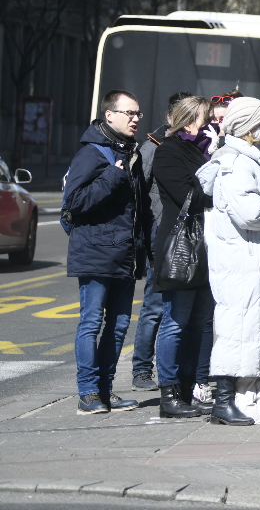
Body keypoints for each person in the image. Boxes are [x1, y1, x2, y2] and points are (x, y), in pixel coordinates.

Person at [197, 97, 260, 426]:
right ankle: (223, 403)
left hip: (251, 259)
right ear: (248, 129)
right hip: (242, 263)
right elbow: (251, 214)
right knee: (235, 332)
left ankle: (240, 400)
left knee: (249, 332)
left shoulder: (248, 160)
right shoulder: (238, 165)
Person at [62, 89, 151, 414]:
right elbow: (75, 200)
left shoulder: (129, 152)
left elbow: (139, 208)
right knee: (91, 322)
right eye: (129, 113)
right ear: (109, 115)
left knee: (118, 325)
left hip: (125, 256)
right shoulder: (92, 153)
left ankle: (105, 390)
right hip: (96, 253)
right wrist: (114, 174)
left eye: (138, 113)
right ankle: (88, 393)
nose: (135, 119)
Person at [150, 95, 216, 418]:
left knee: (199, 322)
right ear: (188, 121)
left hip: (207, 249)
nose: (210, 124)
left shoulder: (205, 150)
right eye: (205, 118)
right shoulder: (168, 152)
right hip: (182, 251)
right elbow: (192, 195)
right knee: (176, 321)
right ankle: (169, 392)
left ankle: (189, 387)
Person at [130, 91, 189, 393]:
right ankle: (141, 368)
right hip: (160, 234)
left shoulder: (193, 145)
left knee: (178, 308)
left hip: (185, 237)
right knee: (154, 304)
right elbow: (143, 194)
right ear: (169, 118)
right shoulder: (152, 147)